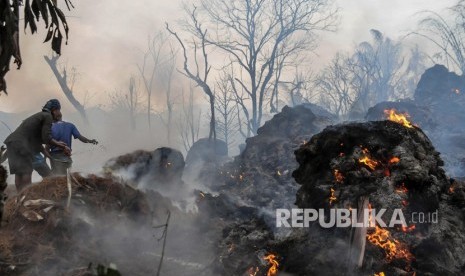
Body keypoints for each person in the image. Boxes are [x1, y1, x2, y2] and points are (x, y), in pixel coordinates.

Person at [3, 99, 70, 191]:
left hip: (11, 143)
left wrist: (45, 152)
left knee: (19, 172)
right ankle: (27, 195)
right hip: (22, 144)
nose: (59, 113)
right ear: (54, 110)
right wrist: (61, 145)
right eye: (59, 110)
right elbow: (46, 137)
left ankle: (20, 196)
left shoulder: (37, 117)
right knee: (26, 171)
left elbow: (35, 139)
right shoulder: (47, 116)